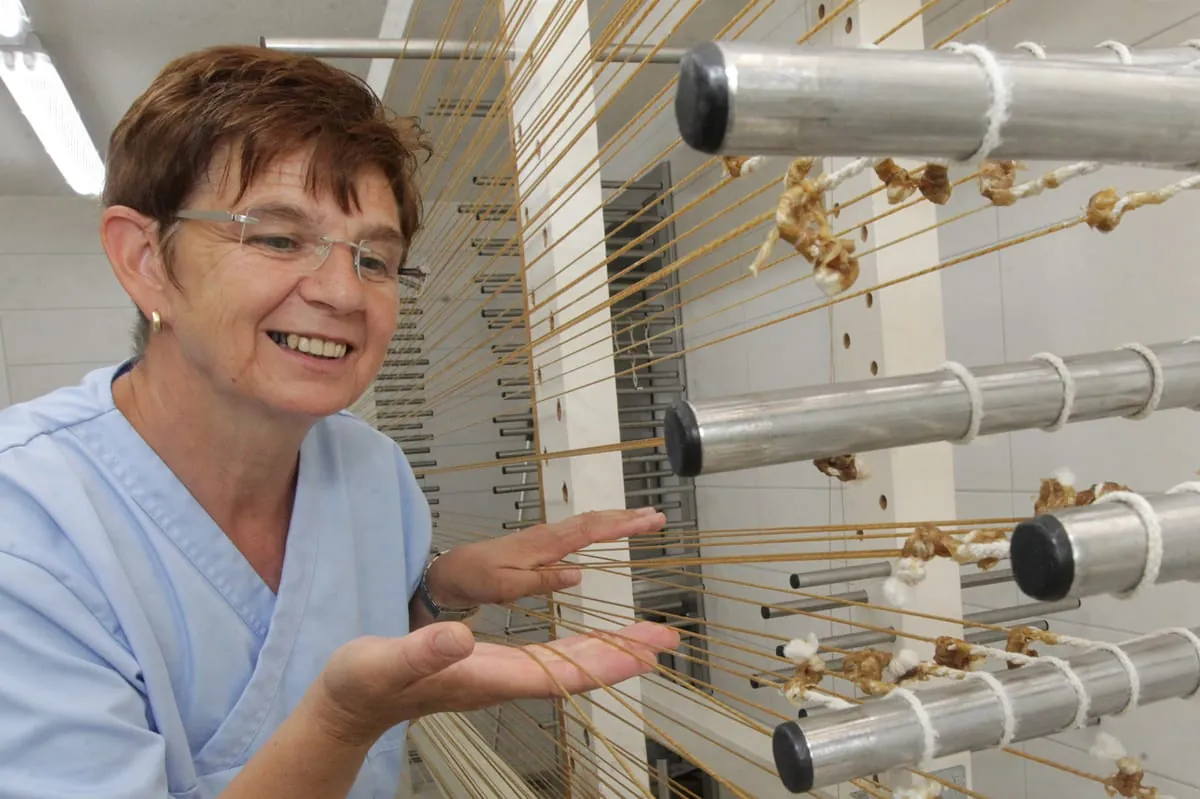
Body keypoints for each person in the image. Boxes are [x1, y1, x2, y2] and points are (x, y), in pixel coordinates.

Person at [0, 44, 679, 798]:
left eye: (376, 260)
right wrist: (340, 723)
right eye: (279, 237)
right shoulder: (24, 528)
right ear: (144, 259)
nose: (343, 293)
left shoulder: (369, 467)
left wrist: (445, 590)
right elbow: (333, 689)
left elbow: (354, 618)